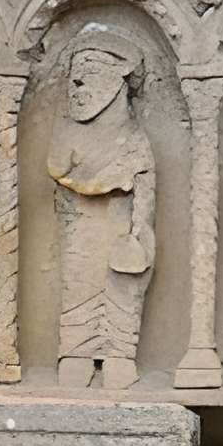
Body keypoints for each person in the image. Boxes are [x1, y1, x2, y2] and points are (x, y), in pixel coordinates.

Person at [46, 28, 154, 389]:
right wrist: (102, 182)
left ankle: (119, 354)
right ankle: (75, 353)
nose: (77, 82)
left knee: (123, 290)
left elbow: (146, 191)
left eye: (90, 70)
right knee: (79, 286)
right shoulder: (68, 131)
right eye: (75, 73)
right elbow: (57, 170)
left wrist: (140, 231)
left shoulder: (136, 138)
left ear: (120, 79)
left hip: (121, 231)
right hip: (80, 230)